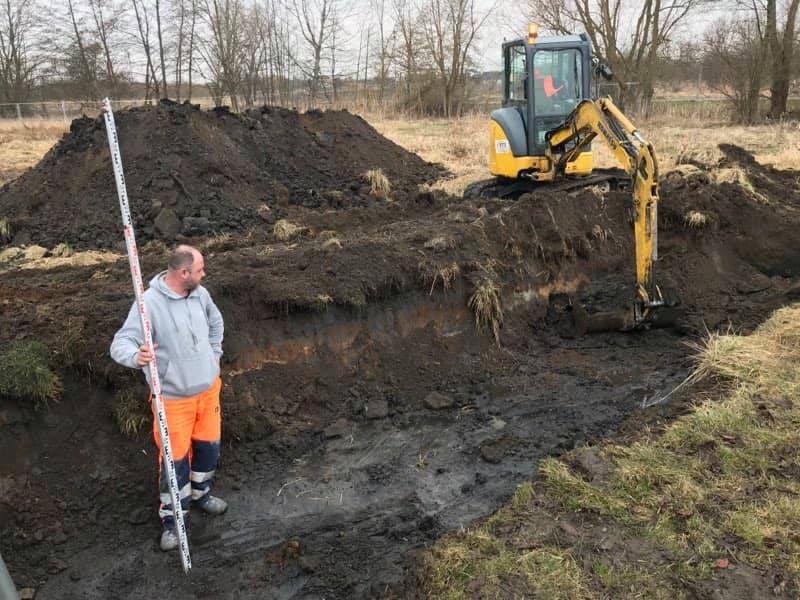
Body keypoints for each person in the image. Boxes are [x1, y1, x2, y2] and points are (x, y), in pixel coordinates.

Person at [110, 244, 227, 552]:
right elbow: (120, 342)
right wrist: (137, 356)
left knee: (208, 451)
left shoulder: (201, 294)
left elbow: (216, 323)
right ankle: (174, 519)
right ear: (183, 273)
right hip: (173, 400)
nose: (204, 274)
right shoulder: (148, 304)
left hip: (208, 391)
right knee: (174, 463)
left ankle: (201, 494)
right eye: (200, 269)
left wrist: (215, 355)